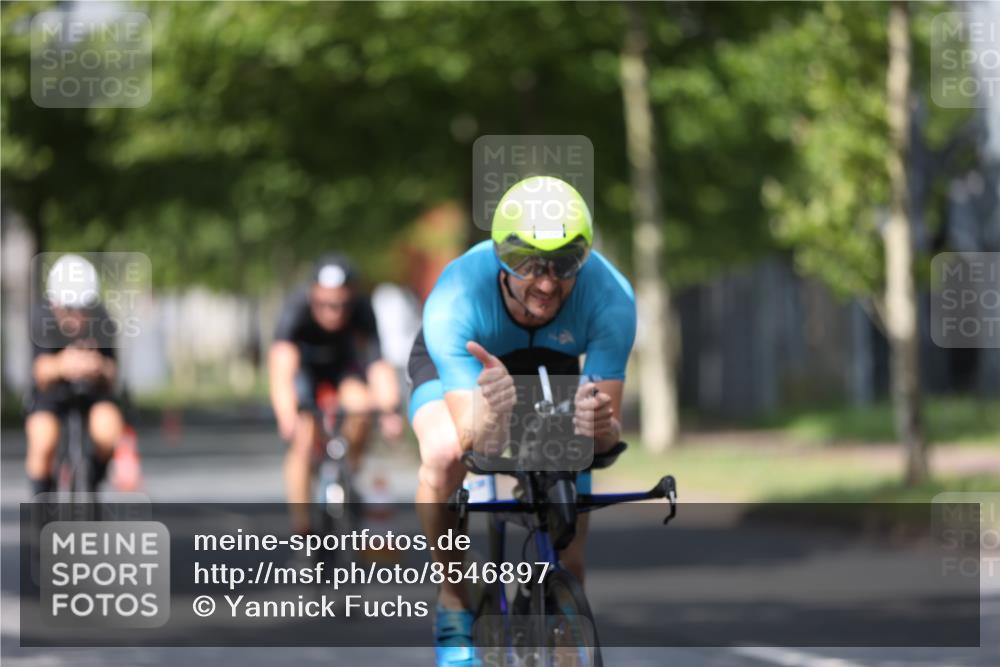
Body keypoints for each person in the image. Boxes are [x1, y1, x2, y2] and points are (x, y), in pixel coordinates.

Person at [406, 176, 637, 666]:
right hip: (471, 370)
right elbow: (478, 443)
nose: (548, 283)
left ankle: (559, 621)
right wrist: (494, 411)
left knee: (570, 556)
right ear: (501, 256)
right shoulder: (456, 297)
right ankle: (454, 599)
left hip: (552, 368)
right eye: (529, 264)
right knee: (445, 453)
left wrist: (598, 425)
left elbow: (604, 441)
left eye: (565, 264)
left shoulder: (610, 296)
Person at [269, 254, 403, 535]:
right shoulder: (296, 307)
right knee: (303, 437)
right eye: (326, 304)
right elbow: (282, 365)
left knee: (362, 404)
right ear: (313, 294)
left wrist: (390, 411)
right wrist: (286, 414)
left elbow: (378, 363)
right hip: (306, 373)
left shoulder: (362, 308)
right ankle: (303, 528)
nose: (334, 313)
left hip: (345, 371)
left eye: (342, 305)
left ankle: (349, 469)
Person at [26, 254, 124, 496]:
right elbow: (39, 370)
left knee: (108, 429)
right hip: (51, 393)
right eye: (70, 310)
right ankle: (41, 500)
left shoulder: (103, 319)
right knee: (43, 440)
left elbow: (113, 373)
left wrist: (98, 366)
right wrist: (62, 365)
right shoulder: (41, 317)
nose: (77, 318)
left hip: (93, 392)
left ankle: (93, 479)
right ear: (55, 305)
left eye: (84, 309)